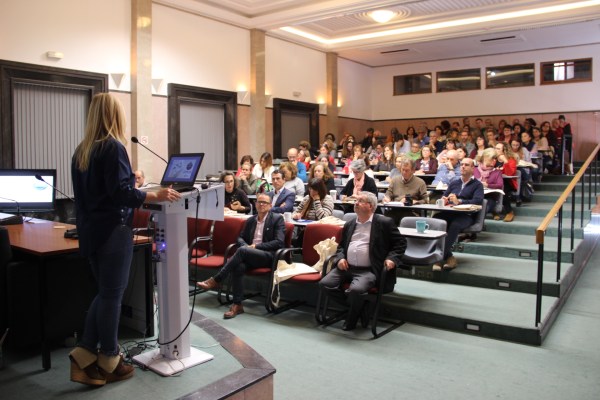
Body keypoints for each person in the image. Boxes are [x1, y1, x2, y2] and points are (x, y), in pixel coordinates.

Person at [70, 93, 181, 386]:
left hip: (91, 232)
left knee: (105, 293)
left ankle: (83, 356)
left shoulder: (81, 151)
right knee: (112, 296)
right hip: (113, 231)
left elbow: (85, 198)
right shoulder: (113, 147)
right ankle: (110, 357)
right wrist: (153, 194)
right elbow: (121, 193)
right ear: (114, 115)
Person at [319, 191, 406, 331]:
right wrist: (340, 258)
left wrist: (392, 259)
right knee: (325, 284)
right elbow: (341, 246)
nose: (356, 203)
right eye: (356, 201)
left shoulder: (384, 223)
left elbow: (400, 243)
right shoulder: (350, 224)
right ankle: (360, 307)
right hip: (346, 267)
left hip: (368, 270)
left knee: (356, 290)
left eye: (360, 201)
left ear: (370, 206)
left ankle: (352, 318)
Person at [197, 193, 285, 319]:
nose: (261, 204)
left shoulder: (277, 219)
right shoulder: (251, 220)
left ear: (270, 206)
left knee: (242, 251)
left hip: (268, 256)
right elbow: (240, 238)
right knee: (239, 267)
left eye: (264, 202)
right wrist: (246, 246)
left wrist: (256, 247)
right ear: (255, 204)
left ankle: (217, 279)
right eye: (259, 202)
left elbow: (279, 242)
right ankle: (237, 304)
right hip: (250, 254)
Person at [433, 158, 484, 271]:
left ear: (473, 168)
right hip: (450, 213)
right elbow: (444, 196)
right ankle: (449, 257)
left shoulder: (477, 185)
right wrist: (444, 199)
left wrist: (460, 201)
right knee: (436, 219)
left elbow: (478, 201)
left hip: (466, 216)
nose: (463, 167)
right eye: (462, 165)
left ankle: (438, 258)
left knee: (455, 225)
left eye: (466, 165)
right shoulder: (454, 182)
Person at [382, 158, 429, 225]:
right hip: (395, 210)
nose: (404, 172)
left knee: (404, 219)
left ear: (413, 170)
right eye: (402, 170)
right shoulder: (395, 180)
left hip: (411, 212)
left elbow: (425, 200)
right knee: (384, 220)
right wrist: (387, 198)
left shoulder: (420, 182)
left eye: (407, 170)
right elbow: (388, 193)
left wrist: (414, 202)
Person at [495, 142, 518, 221]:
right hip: (494, 181)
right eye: (495, 148)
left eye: (498, 149)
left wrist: (505, 161)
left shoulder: (511, 160)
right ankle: (494, 211)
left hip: (507, 182)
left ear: (504, 150)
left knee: (503, 189)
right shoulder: (493, 159)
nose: (496, 150)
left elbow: (510, 173)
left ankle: (509, 212)